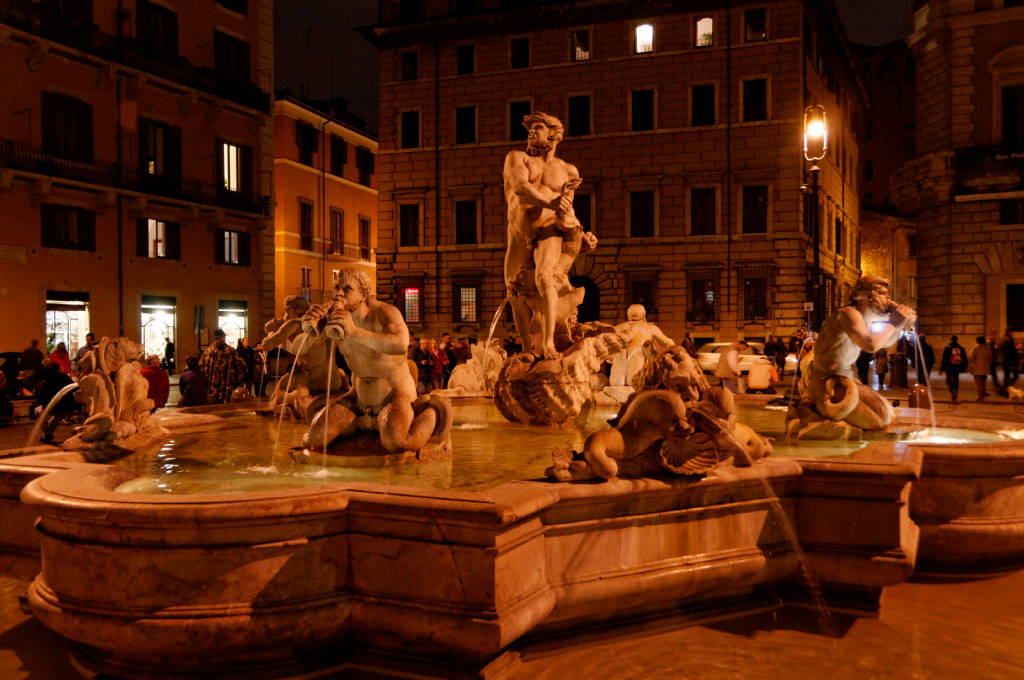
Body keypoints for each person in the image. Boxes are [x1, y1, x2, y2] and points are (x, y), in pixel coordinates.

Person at [299, 267, 442, 453]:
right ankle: (361, 424)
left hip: (394, 396)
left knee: (397, 442)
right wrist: (309, 330)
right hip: (357, 399)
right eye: (337, 288)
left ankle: (432, 413)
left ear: (363, 294)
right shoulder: (335, 318)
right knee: (313, 439)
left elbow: (400, 343)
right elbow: (297, 350)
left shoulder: (384, 313)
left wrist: (355, 332)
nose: (339, 293)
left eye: (347, 288)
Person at [503, 111, 595, 359]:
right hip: (519, 232)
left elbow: (567, 207)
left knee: (545, 279)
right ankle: (525, 347)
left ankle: (547, 344)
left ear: (553, 135)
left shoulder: (568, 171)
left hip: (549, 230)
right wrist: (553, 202)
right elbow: (522, 189)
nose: (532, 132)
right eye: (530, 128)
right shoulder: (517, 158)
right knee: (514, 291)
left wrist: (580, 232)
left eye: (539, 128)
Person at [793, 276, 915, 432]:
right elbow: (871, 344)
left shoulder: (860, 319)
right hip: (827, 385)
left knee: (887, 413)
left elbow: (882, 343)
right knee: (878, 421)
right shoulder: (847, 314)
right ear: (867, 296)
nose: (888, 299)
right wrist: (894, 322)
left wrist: (899, 325)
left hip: (845, 380)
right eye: (883, 294)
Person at [197, 329, 247, 403]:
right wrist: (238, 382)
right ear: (223, 338)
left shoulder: (207, 352)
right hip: (228, 391)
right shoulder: (231, 351)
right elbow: (243, 367)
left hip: (211, 390)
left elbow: (200, 369)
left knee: (213, 410)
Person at [938, 335, 968, 404]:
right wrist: (964, 368)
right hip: (957, 367)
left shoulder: (948, 348)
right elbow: (964, 358)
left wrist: (942, 369)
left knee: (948, 381)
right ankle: (955, 396)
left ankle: (952, 392)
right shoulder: (960, 347)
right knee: (956, 381)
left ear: (951, 340)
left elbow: (944, 358)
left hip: (949, 367)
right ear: (957, 340)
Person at [998, 328, 1019, 396]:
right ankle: (1005, 390)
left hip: (1005, 360)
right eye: (1012, 332)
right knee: (1012, 376)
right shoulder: (1009, 340)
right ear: (1010, 332)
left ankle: (1004, 390)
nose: (1013, 333)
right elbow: (1011, 352)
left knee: (1007, 376)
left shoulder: (1003, 339)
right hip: (1009, 361)